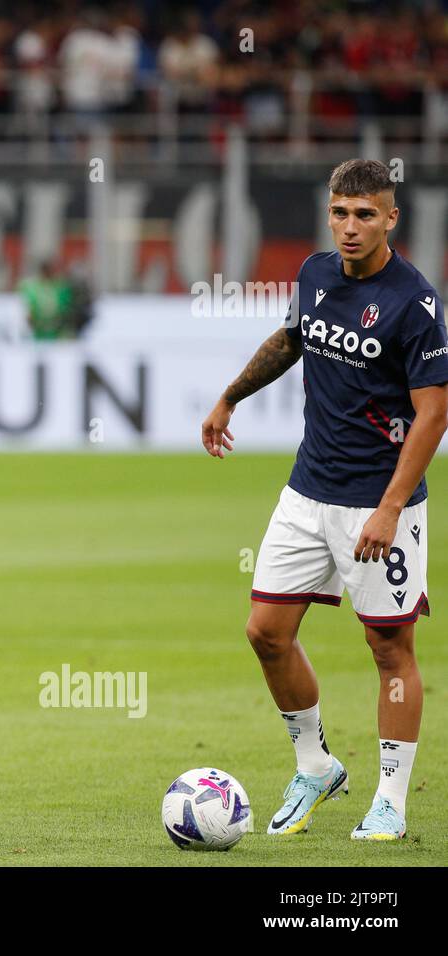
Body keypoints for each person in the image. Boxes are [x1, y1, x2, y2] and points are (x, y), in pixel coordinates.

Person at [201, 159, 448, 841]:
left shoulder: (416, 304)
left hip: (379, 502)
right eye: (340, 212)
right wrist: (229, 396)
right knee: (265, 633)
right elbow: (290, 340)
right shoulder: (313, 274)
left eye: (364, 214)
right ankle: (316, 764)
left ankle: (392, 800)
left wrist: (392, 506)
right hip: (307, 491)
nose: (348, 226)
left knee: (388, 646)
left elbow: (433, 415)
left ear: (390, 218)